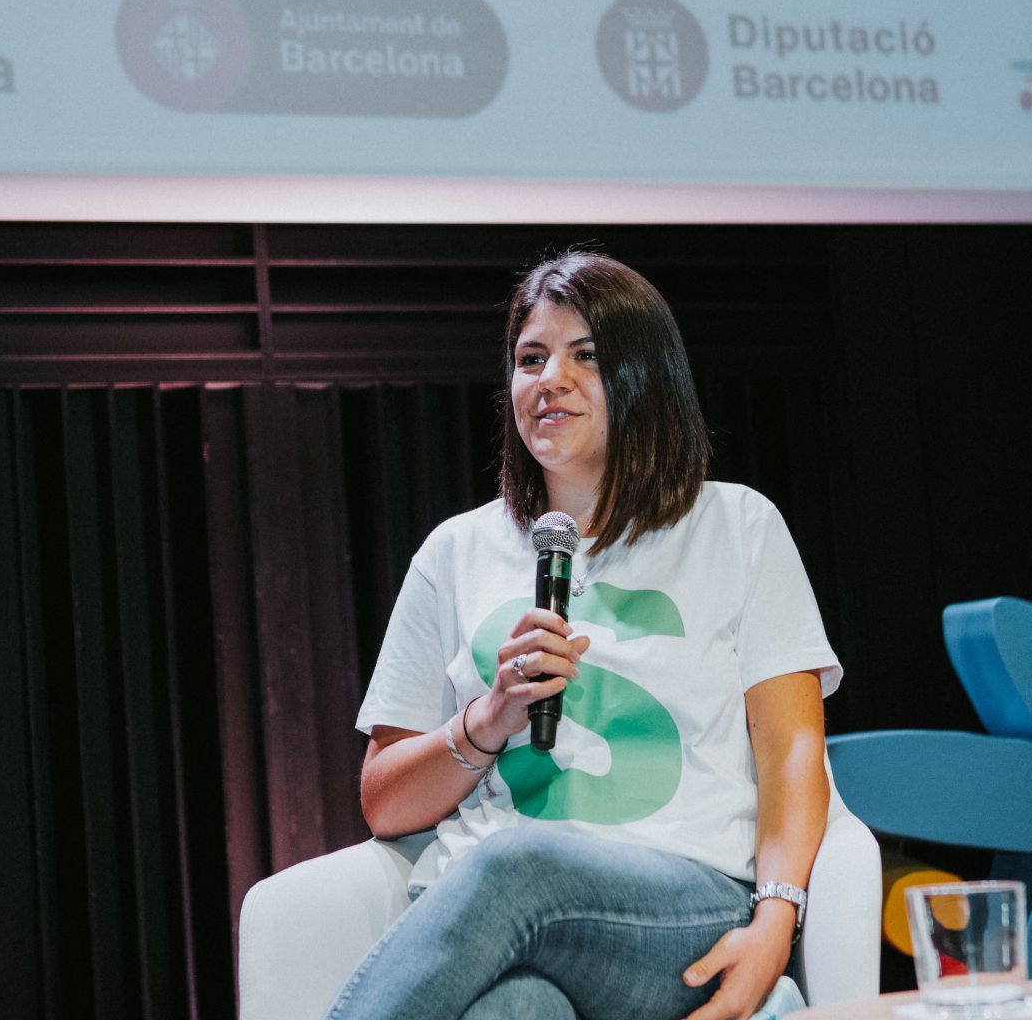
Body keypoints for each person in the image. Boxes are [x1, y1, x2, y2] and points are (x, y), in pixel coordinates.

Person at [324, 252, 841, 1020]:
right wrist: (489, 718)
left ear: (646, 375)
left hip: (680, 903)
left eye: (586, 356)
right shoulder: (454, 553)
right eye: (531, 358)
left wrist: (775, 922)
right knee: (516, 1008)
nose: (550, 379)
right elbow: (385, 803)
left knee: (515, 864)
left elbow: (792, 751)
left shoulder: (737, 526)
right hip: (496, 915)